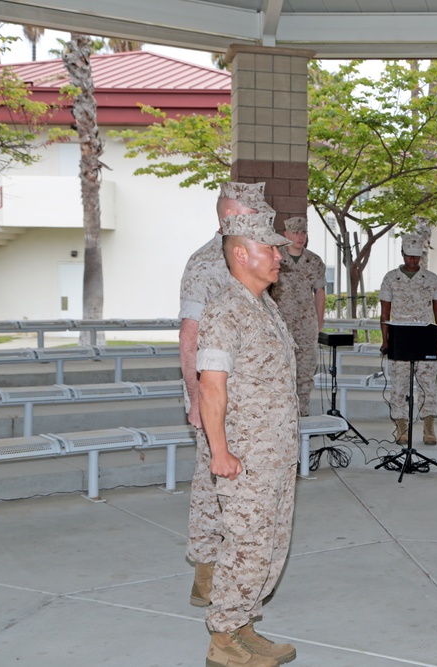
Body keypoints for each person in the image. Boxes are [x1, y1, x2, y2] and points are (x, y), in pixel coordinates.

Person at [197, 210, 299, 667]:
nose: (279, 256)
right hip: (245, 457)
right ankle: (223, 642)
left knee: (271, 544)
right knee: (246, 545)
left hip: (276, 454)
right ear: (241, 253)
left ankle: (244, 626)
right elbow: (211, 385)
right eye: (270, 248)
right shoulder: (225, 310)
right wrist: (220, 452)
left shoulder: (265, 305)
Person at [179, 182, 271, 610]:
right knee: (210, 486)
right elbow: (190, 336)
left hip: (251, 402)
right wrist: (196, 400)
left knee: (241, 492)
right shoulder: (205, 264)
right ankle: (206, 575)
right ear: (228, 216)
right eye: (251, 212)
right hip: (217, 397)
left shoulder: (255, 254)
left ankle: (238, 573)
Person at [379, 234, 437, 446]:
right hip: (400, 337)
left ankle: (428, 427)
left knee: (427, 384)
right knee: (399, 385)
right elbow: (384, 313)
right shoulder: (391, 278)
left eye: (416, 257)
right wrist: (385, 340)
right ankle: (401, 427)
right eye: (409, 256)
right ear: (403, 254)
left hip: (424, 336)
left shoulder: (431, 279)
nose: (413, 261)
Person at [269, 216, 326, 417]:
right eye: (295, 232)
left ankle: (302, 414)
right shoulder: (275, 257)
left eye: (303, 232)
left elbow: (319, 293)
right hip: (280, 326)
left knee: (305, 373)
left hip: (306, 326)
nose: (300, 237)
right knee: (280, 371)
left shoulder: (314, 261)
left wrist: (318, 325)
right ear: (286, 235)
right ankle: (282, 415)